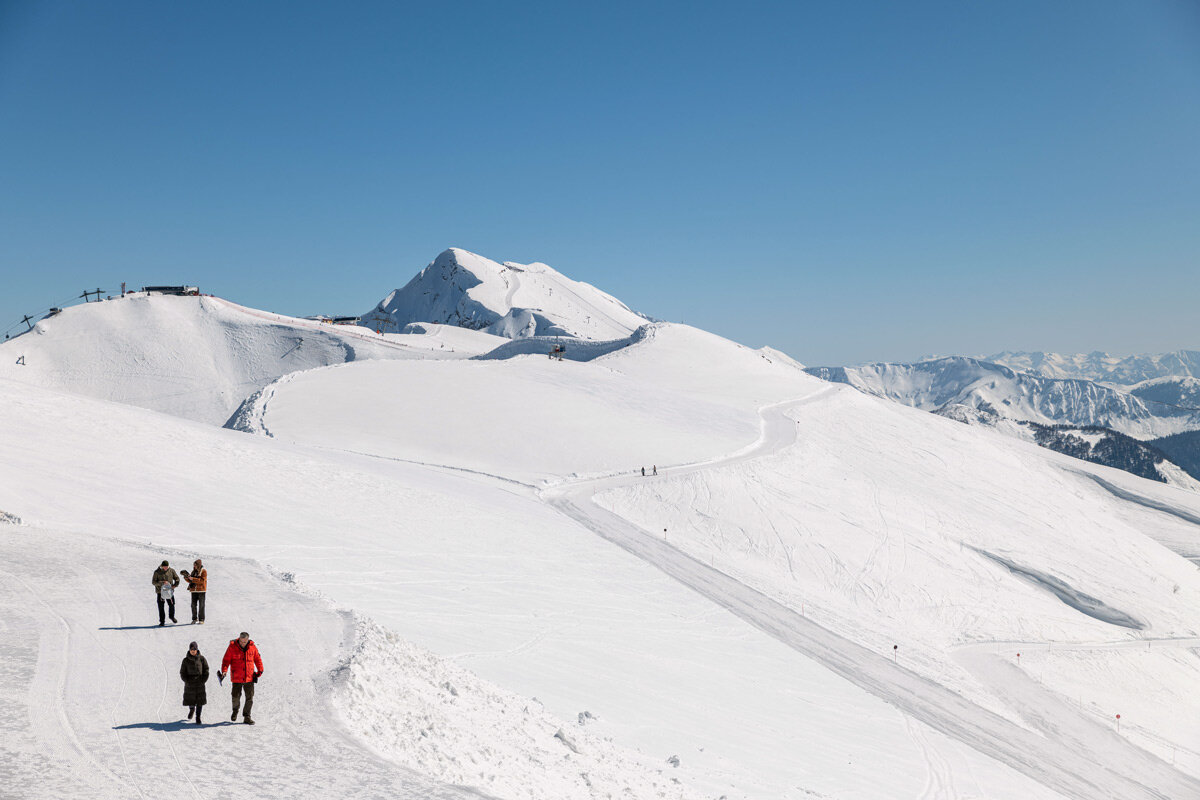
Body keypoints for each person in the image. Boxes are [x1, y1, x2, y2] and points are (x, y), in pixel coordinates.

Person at [220, 631, 263, 725]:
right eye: (241, 641)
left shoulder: (252, 647)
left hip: (249, 677)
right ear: (239, 639)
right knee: (235, 696)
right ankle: (235, 711)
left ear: (248, 640)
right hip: (236, 677)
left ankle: (247, 716)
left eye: (245, 642)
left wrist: (260, 670)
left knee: (250, 698)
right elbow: (226, 660)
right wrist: (224, 671)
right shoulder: (232, 647)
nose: (243, 643)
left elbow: (257, 659)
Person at [180, 641, 209, 724]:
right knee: (191, 699)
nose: (193, 651)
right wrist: (187, 680)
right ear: (189, 650)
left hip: (200, 683)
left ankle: (198, 717)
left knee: (200, 701)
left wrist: (204, 680)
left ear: (197, 649)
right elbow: (182, 672)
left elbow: (206, 669)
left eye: (194, 649)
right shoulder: (185, 660)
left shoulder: (202, 659)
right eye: (191, 649)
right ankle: (192, 709)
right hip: (190, 684)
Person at [152, 560, 179, 626]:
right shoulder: (157, 572)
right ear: (162, 566)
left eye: (167, 566)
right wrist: (162, 583)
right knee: (161, 607)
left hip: (169, 592)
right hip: (160, 592)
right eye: (164, 567)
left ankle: (172, 616)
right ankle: (162, 621)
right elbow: (153, 582)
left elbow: (177, 578)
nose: (166, 568)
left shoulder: (171, 570)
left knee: (172, 605)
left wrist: (175, 585)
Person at [182, 559, 207, 624]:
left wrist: (193, 578)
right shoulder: (193, 572)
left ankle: (201, 619)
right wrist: (186, 577)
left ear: (199, 565)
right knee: (193, 605)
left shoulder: (203, 571)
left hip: (201, 590)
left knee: (201, 605)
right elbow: (190, 581)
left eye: (195, 565)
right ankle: (194, 619)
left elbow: (201, 581)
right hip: (193, 591)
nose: (194, 566)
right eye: (194, 565)